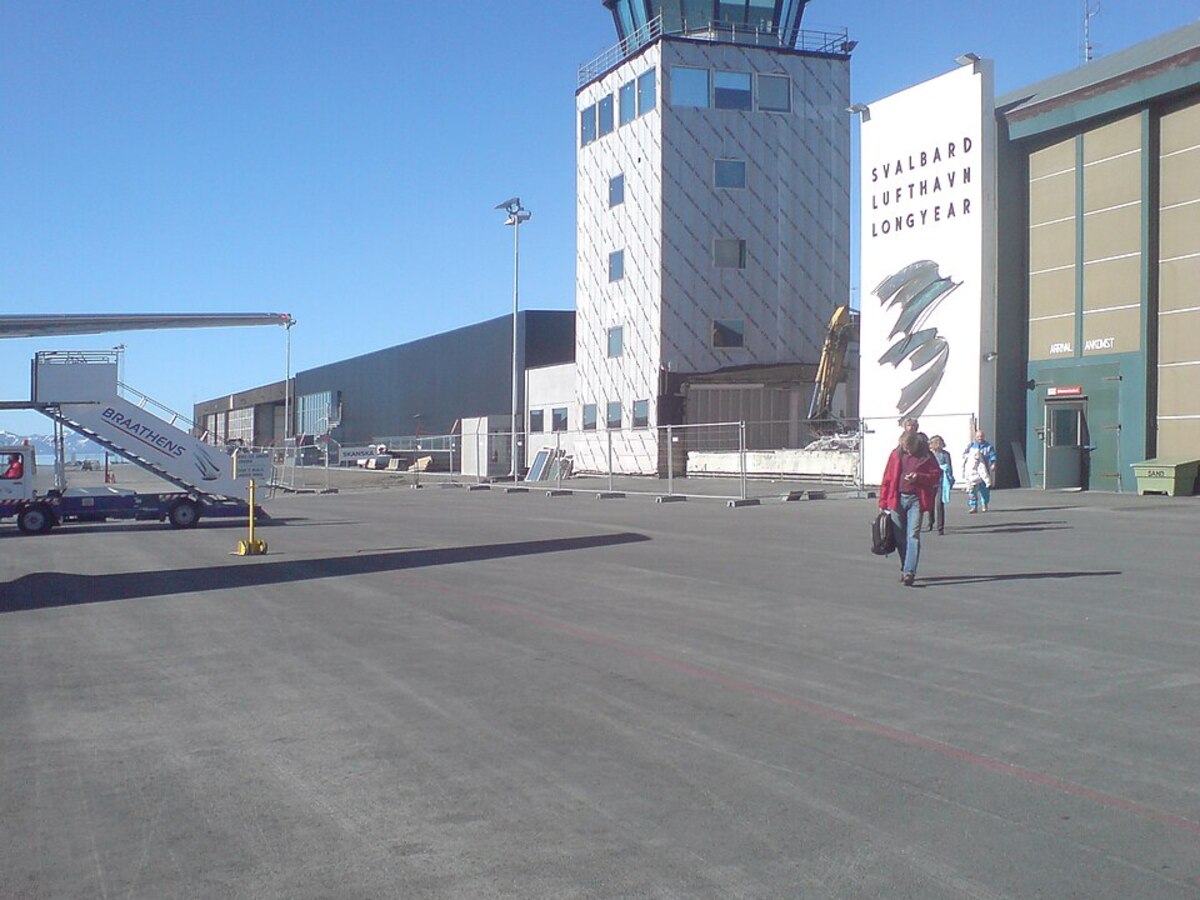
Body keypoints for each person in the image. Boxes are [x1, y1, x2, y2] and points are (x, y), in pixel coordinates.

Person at [879, 430, 942, 586]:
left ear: (916, 444)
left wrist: (918, 477)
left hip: (916, 500)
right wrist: (883, 502)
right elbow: (887, 478)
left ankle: (909, 572)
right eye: (905, 448)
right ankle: (905, 566)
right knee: (900, 537)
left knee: (913, 535)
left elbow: (936, 475)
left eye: (909, 449)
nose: (907, 451)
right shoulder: (896, 455)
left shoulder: (926, 456)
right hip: (897, 499)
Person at [924, 435, 955, 534]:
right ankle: (930, 522)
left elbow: (949, 467)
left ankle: (940, 527)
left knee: (939, 504)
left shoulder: (945, 454)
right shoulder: (929, 454)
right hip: (930, 481)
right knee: (930, 504)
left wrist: (950, 478)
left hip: (941, 482)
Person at [962, 429, 997, 512]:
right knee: (972, 490)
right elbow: (964, 455)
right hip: (973, 471)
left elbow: (992, 456)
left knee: (984, 490)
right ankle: (973, 506)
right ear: (975, 437)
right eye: (978, 436)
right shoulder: (971, 446)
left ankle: (984, 503)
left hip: (984, 471)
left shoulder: (988, 446)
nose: (980, 438)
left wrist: (993, 464)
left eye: (981, 436)